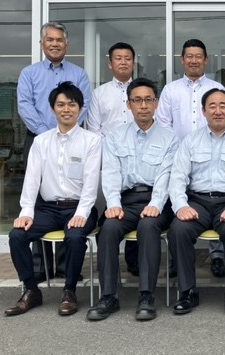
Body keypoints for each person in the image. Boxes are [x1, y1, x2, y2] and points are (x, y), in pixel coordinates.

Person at [86, 78, 178, 322]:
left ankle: (146, 295)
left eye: (148, 100)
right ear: (128, 104)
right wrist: (113, 204)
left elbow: (166, 176)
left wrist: (156, 204)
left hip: (157, 200)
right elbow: (111, 173)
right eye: (137, 100)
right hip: (125, 201)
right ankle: (108, 296)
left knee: (148, 226)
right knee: (108, 228)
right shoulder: (115, 137)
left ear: (156, 103)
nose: (143, 105)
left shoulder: (169, 138)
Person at [5, 82, 100, 317]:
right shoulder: (41, 141)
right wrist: (26, 212)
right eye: (61, 104)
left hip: (79, 207)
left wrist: (82, 213)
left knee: (75, 236)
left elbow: (91, 183)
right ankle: (31, 290)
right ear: (52, 109)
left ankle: (69, 291)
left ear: (80, 108)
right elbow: (31, 180)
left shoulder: (92, 140)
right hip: (48, 208)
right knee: (17, 236)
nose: (66, 109)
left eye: (72, 104)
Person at [167, 88, 225, 315]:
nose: (218, 111)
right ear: (204, 111)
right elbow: (177, 177)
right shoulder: (191, 140)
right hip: (197, 201)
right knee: (178, 230)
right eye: (212, 106)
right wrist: (181, 205)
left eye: (223, 105)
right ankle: (187, 291)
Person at [17, 21, 93, 282]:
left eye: (59, 40)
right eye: (49, 39)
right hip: (37, 138)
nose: (54, 44)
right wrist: (45, 134)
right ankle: (40, 267)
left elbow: (85, 104)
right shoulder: (29, 73)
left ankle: (64, 265)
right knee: (40, 200)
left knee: (67, 194)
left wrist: (65, 131)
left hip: (72, 138)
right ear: (42, 44)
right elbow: (24, 105)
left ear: (67, 44)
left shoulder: (79, 74)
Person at [155, 39, 225, 278]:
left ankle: (217, 256)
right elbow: (163, 124)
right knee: (179, 205)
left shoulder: (217, 88)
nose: (194, 60)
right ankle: (178, 258)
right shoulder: (170, 90)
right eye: (190, 56)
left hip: (213, 156)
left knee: (215, 200)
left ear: (205, 60)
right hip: (179, 157)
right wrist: (178, 152)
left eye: (198, 56)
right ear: (182, 60)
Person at [86, 41, 141, 276]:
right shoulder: (99, 94)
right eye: (118, 58)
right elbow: (94, 130)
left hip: (140, 160)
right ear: (110, 64)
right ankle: (110, 265)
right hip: (110, 160)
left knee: (137, 208)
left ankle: (134, 262)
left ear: (134, 63)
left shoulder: (141, 92)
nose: (123, 62)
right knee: (112, 210)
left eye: (127, 58)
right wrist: (113, 151)